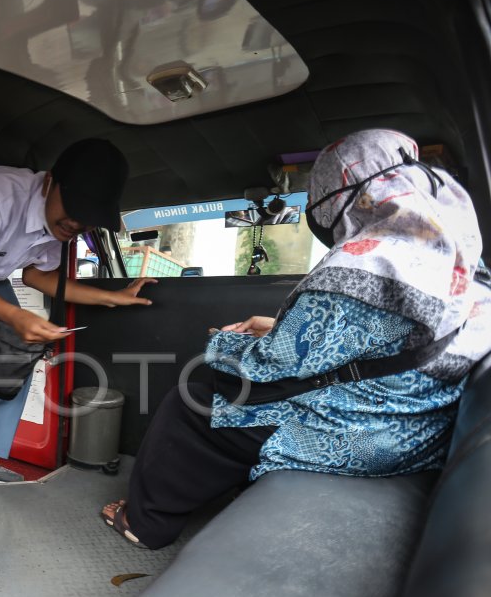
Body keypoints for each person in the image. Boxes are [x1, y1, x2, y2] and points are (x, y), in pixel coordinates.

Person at [101, 129, 491, 549]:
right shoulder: (460, 261)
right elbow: (383, 344)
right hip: (418, 430)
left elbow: (271, 365)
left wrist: (221, 343)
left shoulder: (364, 264)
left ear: (341, 194)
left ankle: (145, 522)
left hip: (362, 437)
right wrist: (276, 326)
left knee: (194, 399)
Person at [0, 138, 156, 486]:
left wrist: (112, 298)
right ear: (49, 182)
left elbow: (37, 276)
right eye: (76, 207)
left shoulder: (61, 225)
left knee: (16, 352)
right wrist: (17, 316)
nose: (78, 223)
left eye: (90, 218)